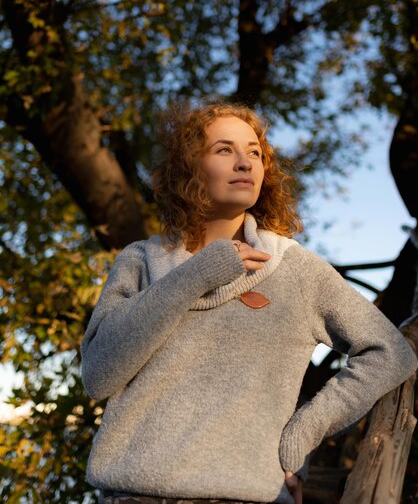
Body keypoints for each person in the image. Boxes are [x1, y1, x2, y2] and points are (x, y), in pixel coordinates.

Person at [81, 102, 417, 504]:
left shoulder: (295, 268)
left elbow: (390, 352)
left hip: (248, 497)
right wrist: (198, 274)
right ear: (189, 167)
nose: (245, 163)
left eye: (254, 153)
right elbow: (98, 375)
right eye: (224, 150)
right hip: (131, 496)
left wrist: (305, 430)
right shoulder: (141, 261)